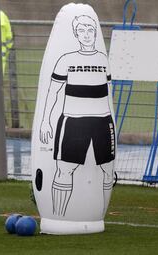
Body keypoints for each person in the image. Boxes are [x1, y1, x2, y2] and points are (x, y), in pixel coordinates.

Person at [39, 15, 115, 217]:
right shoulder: (66, 60)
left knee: (107, 170)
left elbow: (108, 91)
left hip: (103, 122)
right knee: (64, 169)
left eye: (90, 30)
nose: (87, 35)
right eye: (82, 30)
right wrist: (46, 121)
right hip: (73, 121)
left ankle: (98, 214)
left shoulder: (102, 59)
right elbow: (53, 92)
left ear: (95, 33)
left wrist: (112, 124)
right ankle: (59, 217)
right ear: (75, 34)